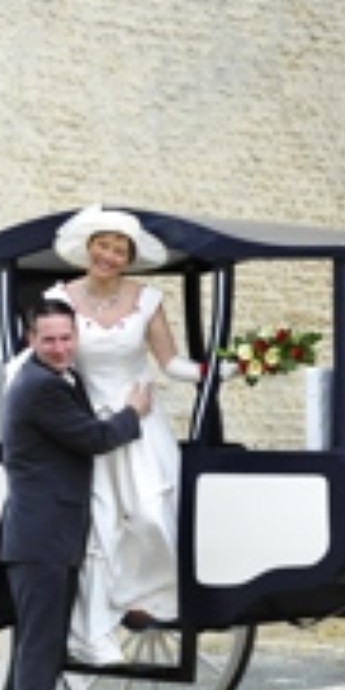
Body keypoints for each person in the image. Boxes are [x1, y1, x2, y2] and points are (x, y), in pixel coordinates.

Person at [1, 298, 153, 690]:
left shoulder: (57, 378)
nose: (61, 347)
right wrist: (133, 413)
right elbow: (93, 437)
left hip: (53, 533)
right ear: (31, 341)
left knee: (45, 646)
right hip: (40, 537)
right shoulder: (38, 387)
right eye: (49, 339)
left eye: (67, 338)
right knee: (39, 648)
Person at [46, 204, 206, 664]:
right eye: (103, 245)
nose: (110, 256)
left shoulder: (147, 299)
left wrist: (229, 368)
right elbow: (48, 356)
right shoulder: (61, 297)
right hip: (89, 427)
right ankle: (92, 634)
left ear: (129, 257)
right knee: (99, 527)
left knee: (152, 513)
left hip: (141, 426)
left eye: (120, 250)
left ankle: (148, 602)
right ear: (88, 248)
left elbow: (171, 363)